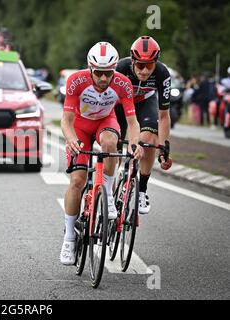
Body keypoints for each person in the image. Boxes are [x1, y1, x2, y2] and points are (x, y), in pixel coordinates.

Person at [60, 42, 143, 265]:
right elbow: (66, 121)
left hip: (105, 122)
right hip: (79, 126)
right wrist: (71, 139)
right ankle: (69, 237)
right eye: (99, 73)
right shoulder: (76, 80)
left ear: (115, 69)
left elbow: (132, 122)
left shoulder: (123, 84)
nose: (104, 79)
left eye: (109, 73)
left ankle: (106, 193)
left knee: (110, 143)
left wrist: (134, 144)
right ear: (90, 68)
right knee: (77, 180)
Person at [115, 36, 172, 215]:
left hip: (145, 104)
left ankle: (142, 190)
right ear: (132, 61)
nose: (144, 70)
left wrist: (164, 149)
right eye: (140, 65)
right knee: (112, 142)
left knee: (149, 139)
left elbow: (163, 116)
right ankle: (115, 177)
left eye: (150, 65)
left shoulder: (162, 74)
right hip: (120, 105)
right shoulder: (120, 68)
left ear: (156, 62)